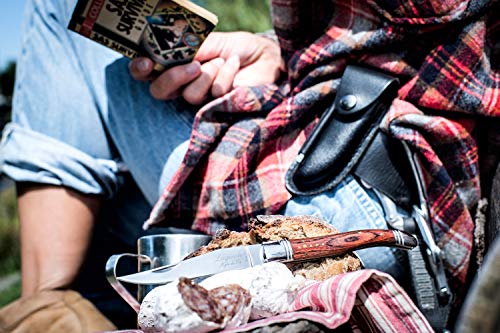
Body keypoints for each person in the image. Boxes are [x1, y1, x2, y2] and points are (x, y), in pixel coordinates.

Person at [0, 0, 498, 331]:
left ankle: (45, 305)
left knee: (59, 7)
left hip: (345, 204)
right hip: (398, 188)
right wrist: (274, 55)